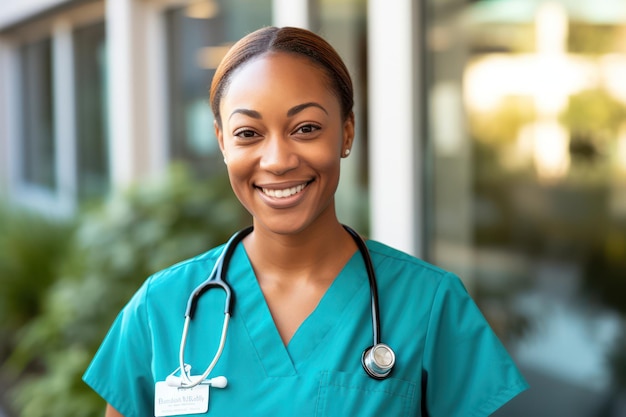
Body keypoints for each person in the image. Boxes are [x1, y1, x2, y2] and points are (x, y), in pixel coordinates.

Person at [83, 26, 528, 417]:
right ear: (222, 142)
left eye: (307, 128)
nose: (277, 160)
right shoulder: (160, 309)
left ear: (347, 132)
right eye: (248, 134)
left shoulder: (429, 305)